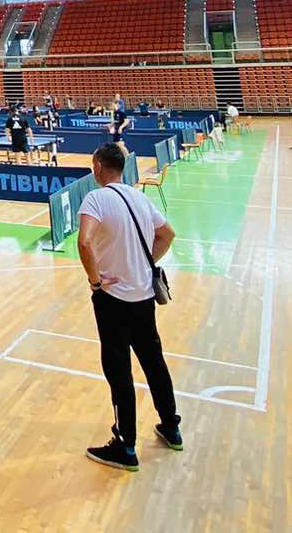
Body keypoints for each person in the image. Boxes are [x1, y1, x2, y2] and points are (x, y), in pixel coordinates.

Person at [77, 144, 181, 472]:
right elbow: (167, 235)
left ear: (98, 166)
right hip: (144, 298)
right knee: (154, 362)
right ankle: (171, 427)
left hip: (113, 300)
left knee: (119, 371)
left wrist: (95, 281)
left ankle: (126, 445)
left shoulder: (96, 199)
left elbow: (84, 241)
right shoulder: (140, 197)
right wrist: (146, 263)